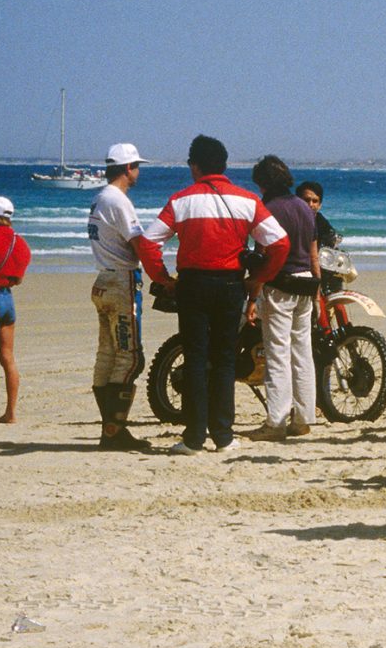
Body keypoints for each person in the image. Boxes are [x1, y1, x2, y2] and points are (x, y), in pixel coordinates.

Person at [137, 135, 288, 455]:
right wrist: (258, 279)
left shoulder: (181, 200)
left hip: (192, 286)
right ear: (224, 165)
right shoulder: (247, 200)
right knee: (224, 359)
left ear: (195, 166)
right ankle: (223, 436)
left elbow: (148, 244)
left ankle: (193, 438)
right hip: (231, 286)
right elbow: (280, 243)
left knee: (195, 358)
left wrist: (163, 279)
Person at [248, 156, 320, 442]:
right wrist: (318, 288)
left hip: (280, 284)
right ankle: (302, 419)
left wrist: (253, 293)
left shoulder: (268, 209)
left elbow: (263, 254)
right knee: (302, 353)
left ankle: (276, 421)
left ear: (264, 183)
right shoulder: (304, 207)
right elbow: (313, 254)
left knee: (278, 353)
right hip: (306, 282)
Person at [87, 144, 154, 449]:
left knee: (108, 355)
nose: (138, 172)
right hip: (122, 281)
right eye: (136, 166)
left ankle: (110, 429)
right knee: (131, 357)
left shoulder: (100, 198)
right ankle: (114, 430)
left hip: (103, 278)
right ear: (128, 168)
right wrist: (162, 276)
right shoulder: (118, 200)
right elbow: (138, 243)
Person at [0, 196, 31, 424]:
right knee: (7, 357)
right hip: (6, 299)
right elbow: (18, 279)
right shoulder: (20, 242)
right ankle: (10, 413)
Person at [295, 180, 340, 249]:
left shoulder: (323, 224)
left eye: (315, 201)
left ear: (320, 205)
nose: (310, 204)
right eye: (306, 200)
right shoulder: (290, 221)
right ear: (297, 201)